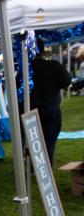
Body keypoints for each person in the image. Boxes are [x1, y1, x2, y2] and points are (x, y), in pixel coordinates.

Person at [30, 38, 72, 166]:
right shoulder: (53, 65)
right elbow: (66, 81)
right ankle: (45, 167)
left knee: (34, 140)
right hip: (50, 107)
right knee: (49, 139)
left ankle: (36, 166)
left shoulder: (27, 69)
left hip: (31, 109)